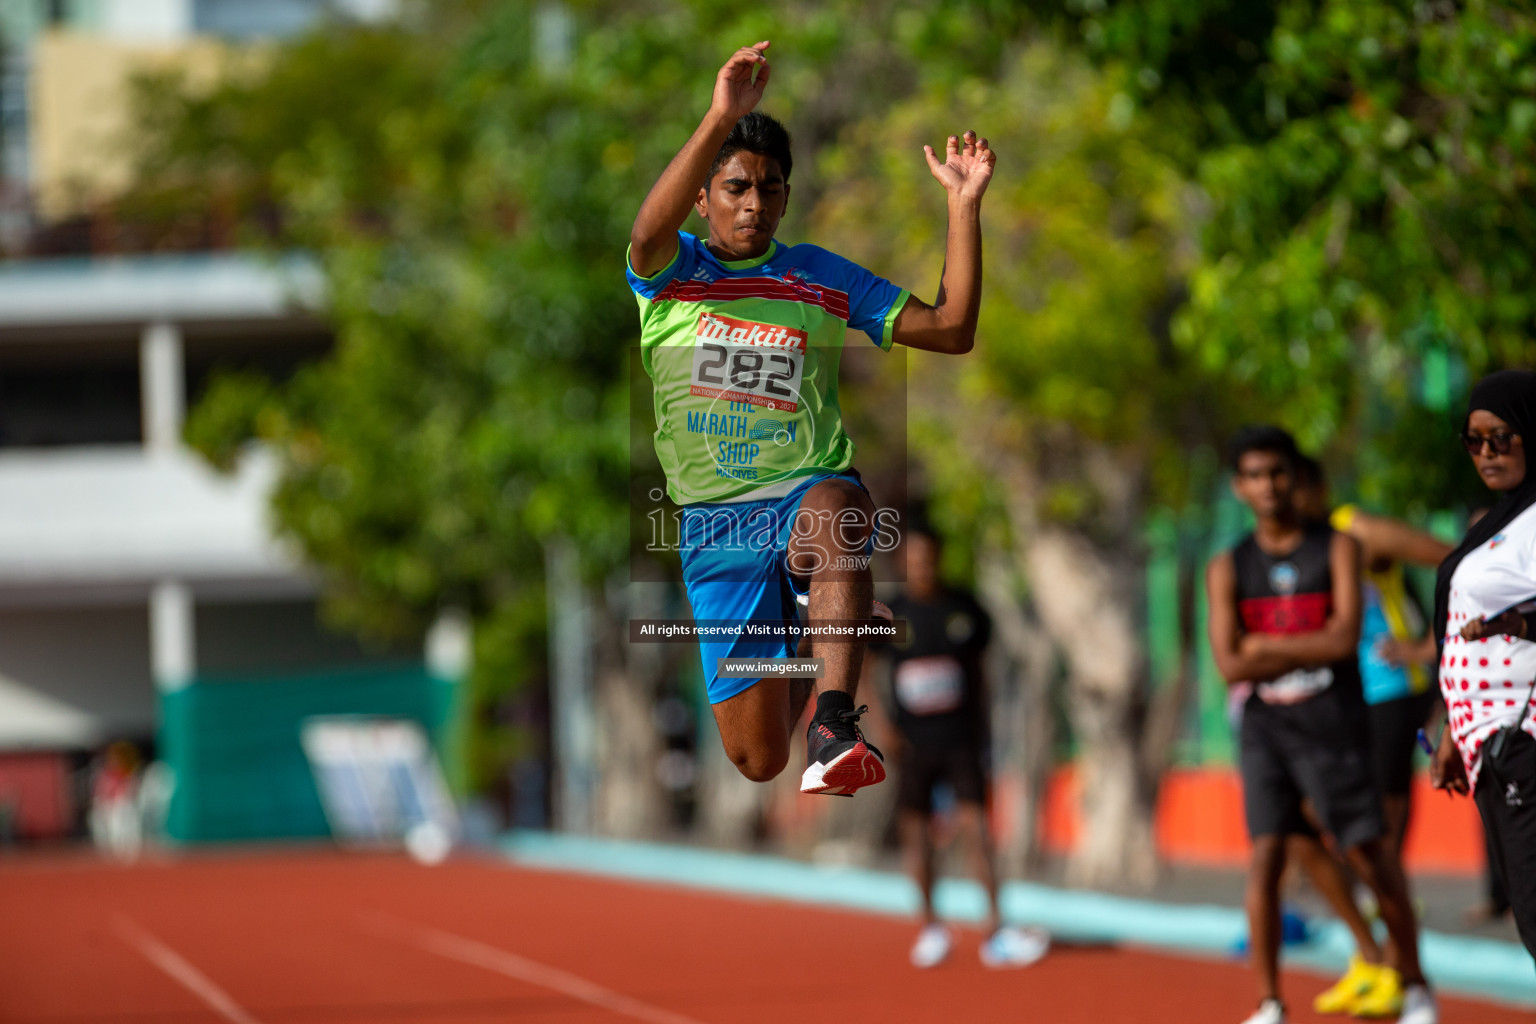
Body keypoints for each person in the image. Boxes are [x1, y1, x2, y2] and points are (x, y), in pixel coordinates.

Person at [626, 41, 995, 795]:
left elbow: (952, 328)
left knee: (840, 509)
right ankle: (813, 621)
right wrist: (721, 114)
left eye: (769, 188)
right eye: (734, 187)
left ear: (787, 197)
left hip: (805, 491)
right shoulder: (671, 275)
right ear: (704, 195)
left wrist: (963, 209)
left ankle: (835, 717)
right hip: (714, 524)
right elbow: (642, 232)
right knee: (759, 760)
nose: (753, 203)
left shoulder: (819, 276)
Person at [1207, 426, 1435, 1024]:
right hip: (1267, 726)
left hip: (1350, 713)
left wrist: (1426, 647)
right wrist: (1277, 651)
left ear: (1301, 480)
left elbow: (1341, 641)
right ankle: (1273, 1000)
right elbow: (1229, 662)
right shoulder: (1229, 564)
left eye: (1279, 474)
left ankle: (1411, 982)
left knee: (1371, 850)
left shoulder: (1343, 541)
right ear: (1240, 487)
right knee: (1274, 854)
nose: (1270, 487)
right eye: (1255, 476)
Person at [1287, 455, 1452, 1015]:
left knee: (1378, 840)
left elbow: (1456, 562)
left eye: (1291, 484)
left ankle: (1406, 979)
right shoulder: (1290, 550)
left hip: (1391, 692)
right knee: (1304, 822)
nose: (1280, 496)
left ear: (1315, 487)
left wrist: (1429, 647)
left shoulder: (1357, 530)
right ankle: (1376, 953)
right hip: (1340, 704)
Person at [867, 521, 1049, 969]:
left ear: (939, 559)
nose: (923, 567)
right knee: (918, 836)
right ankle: (930, 927)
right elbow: (866, 673)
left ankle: (995, 929)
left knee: (977, 832)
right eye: (913, 560)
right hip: (913, 746)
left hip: (962, 741)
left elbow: (982, 674)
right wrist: (881, 726)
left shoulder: (965, 609)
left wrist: (985, 727)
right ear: (903, 563)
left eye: (929, 558)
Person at [1429, 369, 1536, 963]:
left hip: (1524, 737)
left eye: (1503, 437)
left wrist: (1517, 625)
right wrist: (1452, 728)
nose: (1488, 453)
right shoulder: (1505, 520)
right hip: (1487, 741)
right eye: (1475, 441)